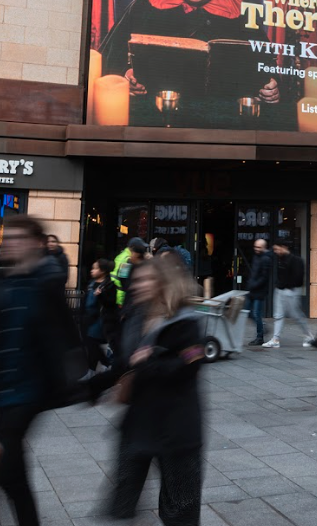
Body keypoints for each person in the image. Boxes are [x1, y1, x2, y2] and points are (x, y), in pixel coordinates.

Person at [88, 256, 204, 524]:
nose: (138, 285)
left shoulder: (186, 321)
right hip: (139, 423)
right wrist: (91, 387)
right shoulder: (135, 318)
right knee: (122, 500)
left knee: (181, 510)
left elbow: (192, 362)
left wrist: (151, 360)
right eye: (137, 280)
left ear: (164, 283)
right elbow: (124, 364)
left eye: (147, 279)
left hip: (178, 430)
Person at [100, 0, 279, 104]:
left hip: (219, 122)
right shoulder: (146, 5)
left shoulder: (239, 13)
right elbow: (110, 59)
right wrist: (125, 78)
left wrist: (272, 87)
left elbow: (268, 66)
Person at [0, 215, 81, 526]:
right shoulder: (7, 280)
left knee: (7, 462)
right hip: (6, 385)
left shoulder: (47, 281)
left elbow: (66, 336)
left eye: (18, 238)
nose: (10, 243)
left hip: (27, 391)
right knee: (13, 477)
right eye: (8, 237)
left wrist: (79, 378)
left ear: (37, 243)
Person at [262, 241, 314, 349]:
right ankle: (275, 339)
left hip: (291, 291)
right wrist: (279, 285)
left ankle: (309, 335)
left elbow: (298, 278)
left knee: (296, 315)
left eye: (277, 249)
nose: (275, 252)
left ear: (284, 247)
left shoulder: (296, 260)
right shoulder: (280, 259)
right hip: (280, 290)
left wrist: (287, 286)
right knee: (278, 315)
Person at [83, 259, 119, 376]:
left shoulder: (109, 285)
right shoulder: (91, 283)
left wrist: (101, 295)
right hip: (90, 318)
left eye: (95, 268)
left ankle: (103, 366)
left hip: (100, 320)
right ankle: (96, 369)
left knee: (92, 343)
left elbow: (111, 303)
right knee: (92, 345)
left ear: (102, 271)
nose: (92, 271)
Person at [247, 239, 272, 345]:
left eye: (258, 247)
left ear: (263, 247)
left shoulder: (266, 259)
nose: (256, 249)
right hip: (252, 290)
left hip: (260, 291)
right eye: (255, 247)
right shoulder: (256, 257)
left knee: (257, 313)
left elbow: (264, 277)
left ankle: (260, 337)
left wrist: (254, 284)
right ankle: (263, 326)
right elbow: (254, 273)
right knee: (248, 312)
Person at [111, 236, 148, 309]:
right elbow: (123, 282)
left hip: (118, 295)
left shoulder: (124, 255)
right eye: (140, 252)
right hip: (121, 297)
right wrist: (122, 301)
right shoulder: (127, 260)